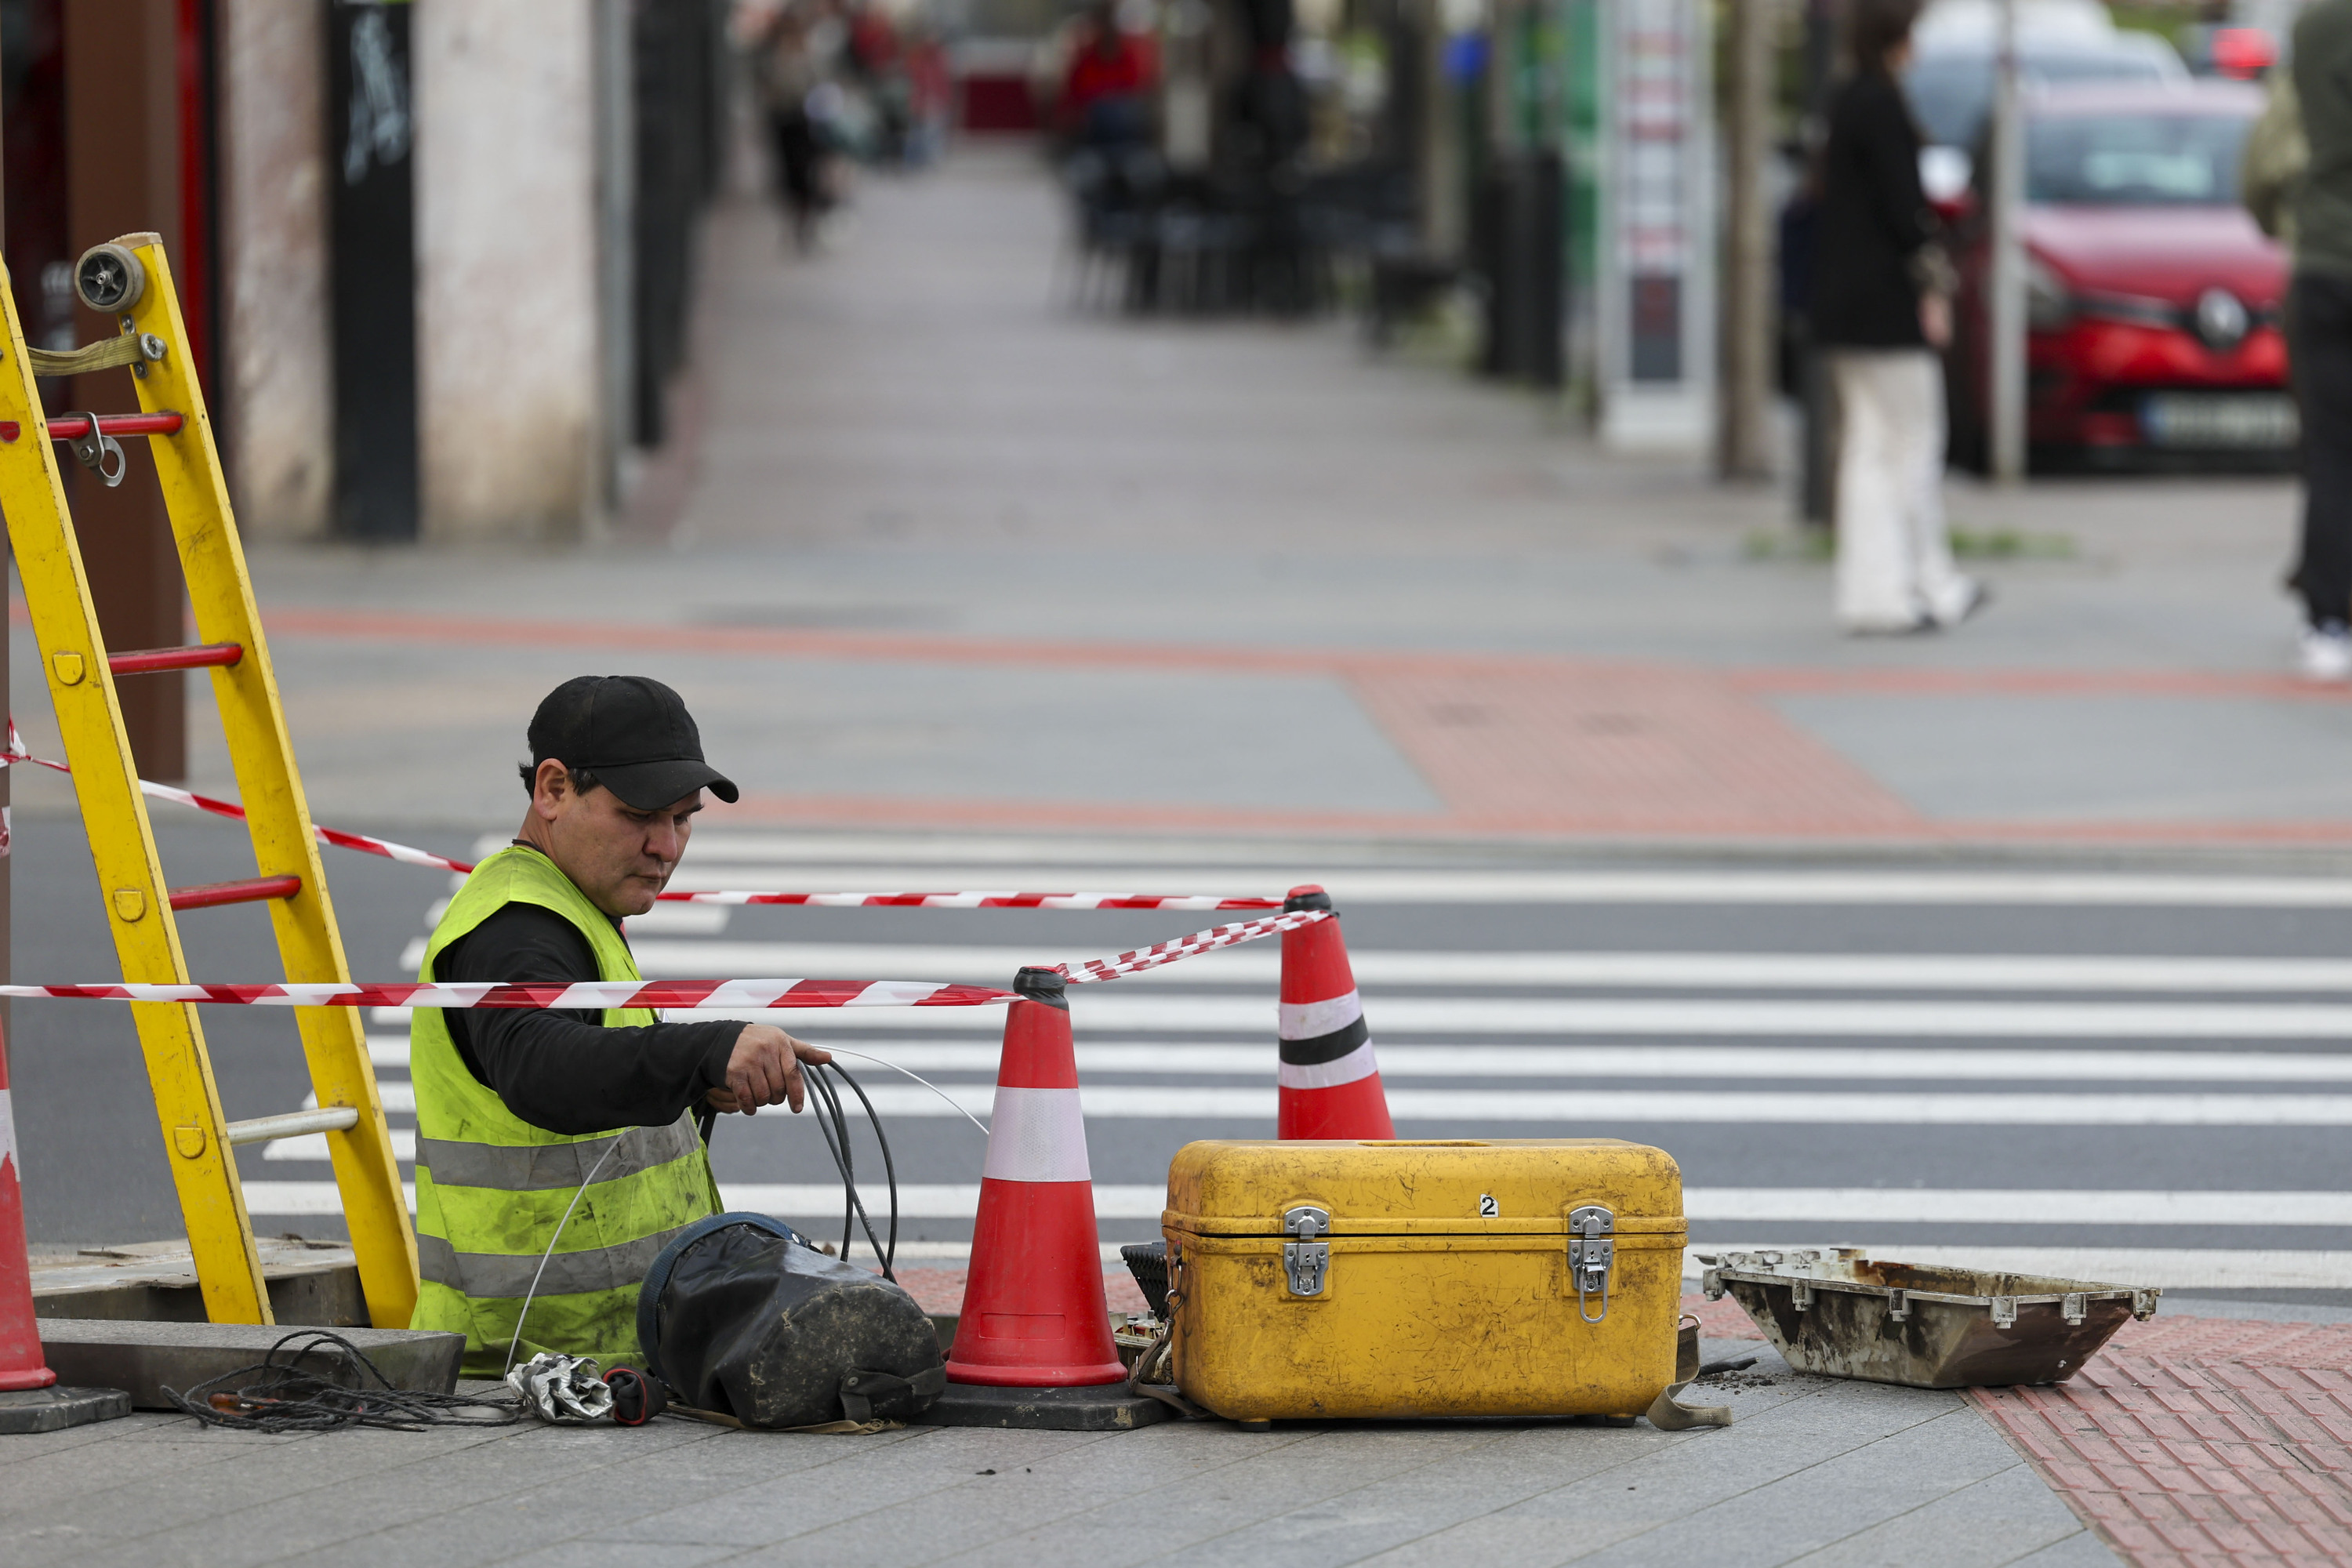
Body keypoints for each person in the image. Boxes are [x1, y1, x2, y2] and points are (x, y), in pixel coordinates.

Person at [409, 675, 830, 1373]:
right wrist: (702, 1049)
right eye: (641, 816)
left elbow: (592, 1069)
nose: (666, 847)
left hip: (607, 1355)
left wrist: (698, 1085)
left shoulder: (573, 902)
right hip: (520, 1367)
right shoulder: (515, 928)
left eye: (683, 818)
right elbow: (539, 1068)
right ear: (552, 791)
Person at [1811, 0, 1984, 635]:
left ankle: (1868, 588)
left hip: (1840, 308)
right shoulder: (1882, 107)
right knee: (1914, 440)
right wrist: (1932, 284)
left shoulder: (1842, 103)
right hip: (1885, 306)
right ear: (1896, 37)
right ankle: (1929, 581)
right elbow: (1906, 212)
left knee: (1866, 446)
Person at [2270, 1, 2352, 680]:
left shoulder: (2310, 31)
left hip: (2323, 258)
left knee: (2329, 450)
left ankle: (2326, 619)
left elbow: (2269, 152)